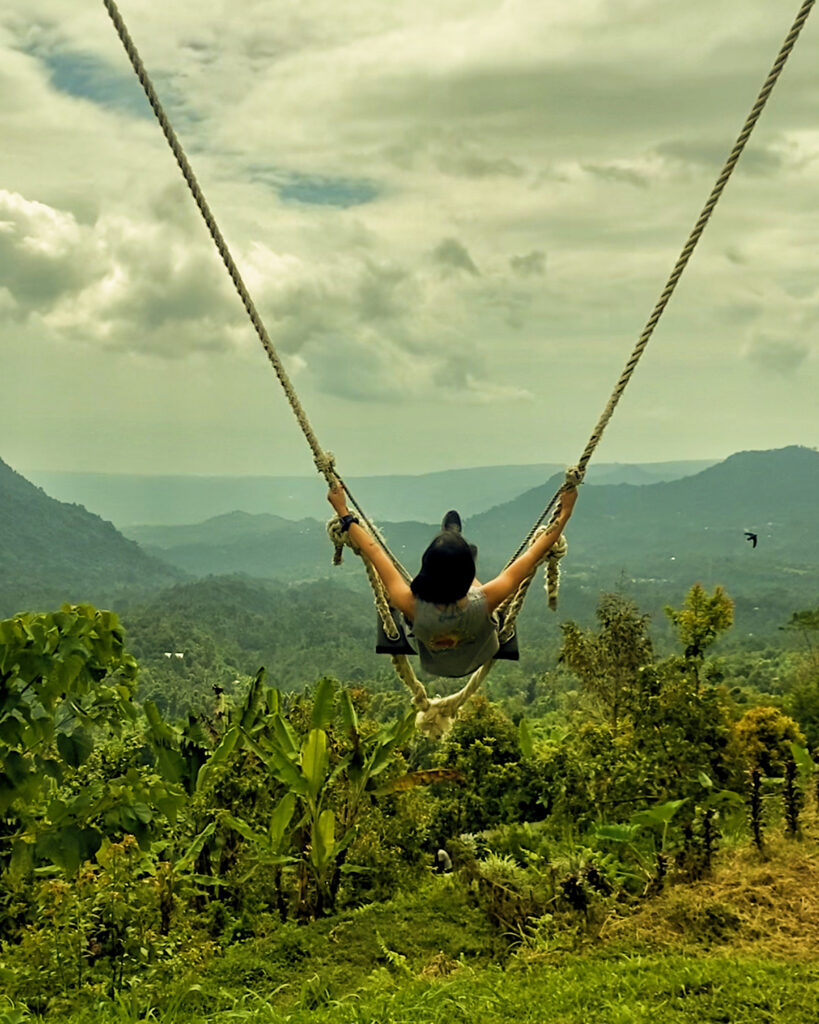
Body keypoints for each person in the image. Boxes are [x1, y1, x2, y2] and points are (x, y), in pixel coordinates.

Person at [327, 481, 578, 678]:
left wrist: (343, 511)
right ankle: (459, 547)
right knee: (476, 590)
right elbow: (534, 554)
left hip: (435, 665)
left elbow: (373, 550)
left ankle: (451, 540)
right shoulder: (486, 599)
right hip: (481, 651)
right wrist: (565, 512)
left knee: (408, 590)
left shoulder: (408, 604)